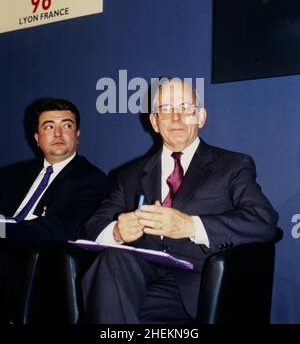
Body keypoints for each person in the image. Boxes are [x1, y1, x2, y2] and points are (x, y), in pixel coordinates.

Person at [80, 78, 278, 324]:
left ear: (201, 117)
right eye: (165, 110)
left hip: (200, 285)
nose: (176, 117)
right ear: (154, 121)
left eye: (185, 108)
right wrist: (118, 232)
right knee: (111, 264)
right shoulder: (128, 174)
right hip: (138, 280)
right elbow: (91, 227)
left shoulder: (232, 165)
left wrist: (191, 226)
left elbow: (263, 221)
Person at [0, 98, 107, 322]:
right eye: (49, 126)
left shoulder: (91, 179)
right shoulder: (11, 176)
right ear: (37, 139)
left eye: (66, 126)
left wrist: (3, 231)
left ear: (77, 135)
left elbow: (65, 228)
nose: (58, 134)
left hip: (38, 264)